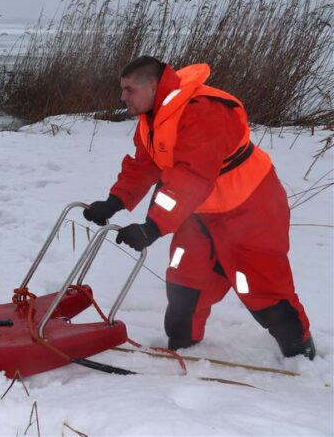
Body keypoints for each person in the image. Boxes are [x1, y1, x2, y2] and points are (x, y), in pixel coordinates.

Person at [85, 55, 314, 359]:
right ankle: (184, 350)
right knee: (184, 283)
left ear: (153, 86)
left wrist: (152, 227)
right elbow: (146, 164)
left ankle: (301, 357)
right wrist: (114, 203)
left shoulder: (205, 111)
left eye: (129, 90)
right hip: (197, 214)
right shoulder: (152, 118)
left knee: (262, 290)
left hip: (249, 210)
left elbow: (191, 178)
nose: (122, 97)